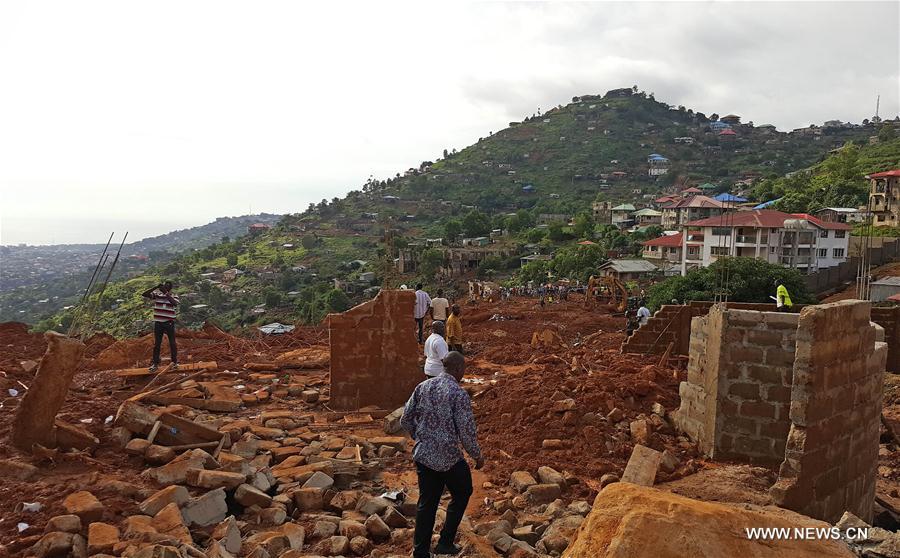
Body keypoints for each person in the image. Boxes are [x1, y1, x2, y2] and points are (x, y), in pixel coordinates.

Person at [401, 351, 483, 558]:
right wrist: (477, 456)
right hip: (448, 458)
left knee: (427, 503)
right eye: (463, 369)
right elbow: (466, 432)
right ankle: (445, 541)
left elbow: (405, 419)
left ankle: (420, 551)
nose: (463, 373)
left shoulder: (423, 387)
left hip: (424, 456)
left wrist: (419, 437)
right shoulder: (458, 394)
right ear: (457, 369)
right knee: (463, 491)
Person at [142, 281, 180, 372]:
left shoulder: (174, 296)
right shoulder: (157, 295)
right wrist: (155, 287)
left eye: (167, 287)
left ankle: (174, 362)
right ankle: (155, 364)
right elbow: (144, 294)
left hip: (169, 323)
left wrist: (166, 293)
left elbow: (174, 303)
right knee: (157, 345)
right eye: (164, 286)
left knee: (172, 343)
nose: (165, 288)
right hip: (158, 323)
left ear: (170, 288)